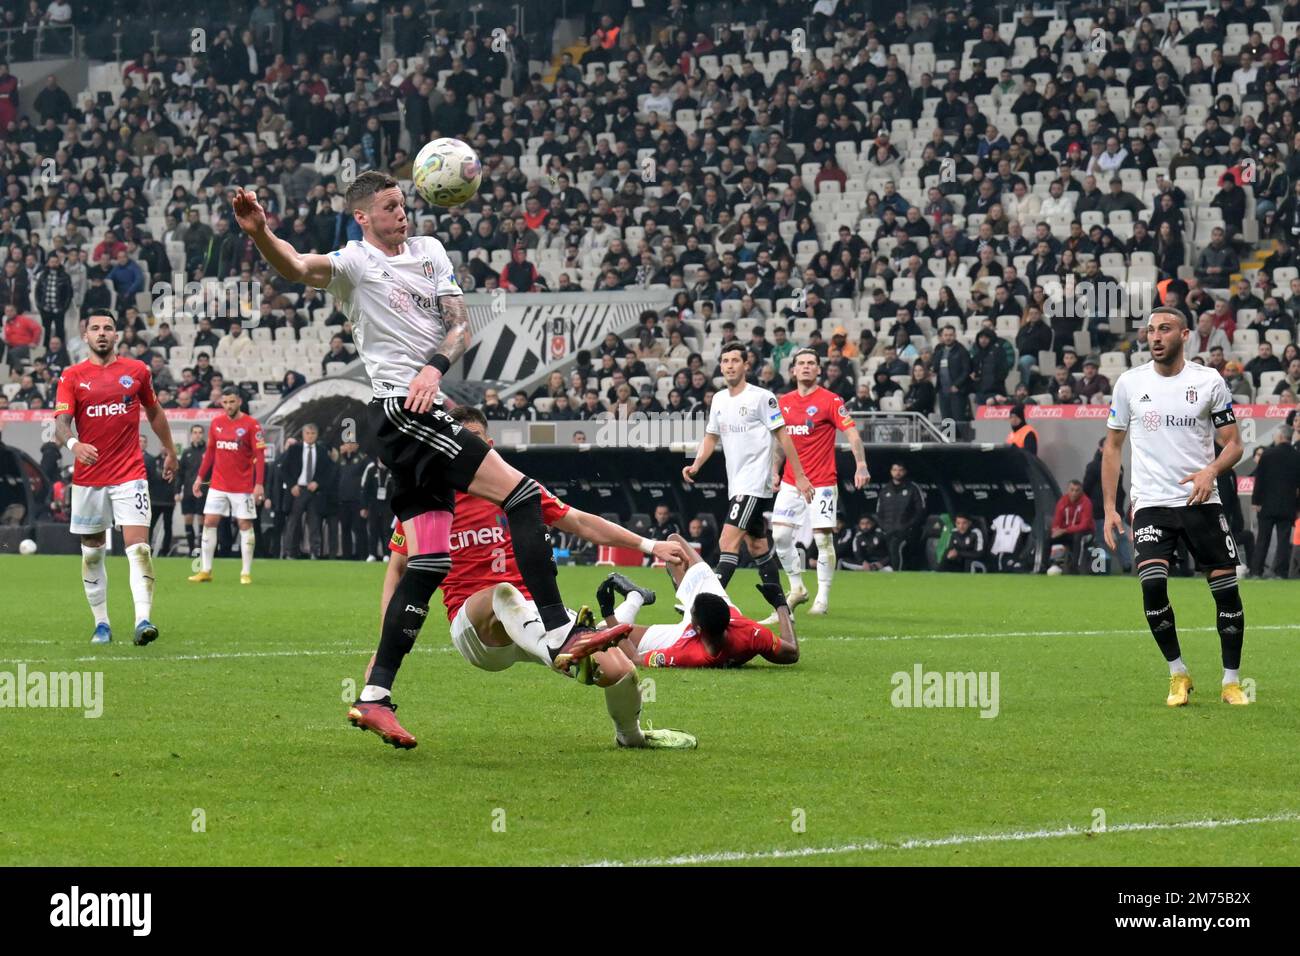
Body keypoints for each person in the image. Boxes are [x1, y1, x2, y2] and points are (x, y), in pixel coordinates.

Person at [232, 175, 629, 748]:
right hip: (402, 412)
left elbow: (460, 326)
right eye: (389, 207)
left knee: (429, 563)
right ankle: (560, 628)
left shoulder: (430, 252)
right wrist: (262, 232)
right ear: (363, 217)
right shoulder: (355, 263)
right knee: (520, 496)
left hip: (421, 403)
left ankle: (374, 696)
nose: (402, 213)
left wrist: (433, 367)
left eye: (404, 203)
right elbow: (297, 266)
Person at [381, 406, 694, 748]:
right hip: (476, 627)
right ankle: (561, 648)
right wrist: (385, 647)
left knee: (621, 672)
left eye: (469, 442)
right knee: (502, 593)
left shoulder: (514, 489)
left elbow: (581, 521)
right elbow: (397, 568)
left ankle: (631, 737)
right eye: (453, 443)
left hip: (534, 615)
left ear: (487, 445)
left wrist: (650, 544)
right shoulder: (431, 500)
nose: (461, 451)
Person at [1102, 306, 1249, 706]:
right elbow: (1112, 447)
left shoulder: (1208, 381)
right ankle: (1178, 673)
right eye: (1150, 330)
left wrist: (1210, 472)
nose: (1155, 336)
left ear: (1184, 335)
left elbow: (1234, 442)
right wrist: (1110, 508)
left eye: (1164, 329)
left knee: (1225, 592)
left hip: (1200, 500)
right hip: (1150, 503)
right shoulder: (1130, 383)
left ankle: (1232, 681)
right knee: (1152, 586)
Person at [53, 312, 177, 645]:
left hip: (130, 475)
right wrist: (74, 444)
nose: (102, 333)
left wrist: (170, 450)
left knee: (139, 549)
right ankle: (102, 624)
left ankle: (143, 620)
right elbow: (61, 424)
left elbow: (154, 412)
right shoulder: (71, 376)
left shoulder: (137, 372)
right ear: (86, 335)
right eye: (95, 328)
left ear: (117, 335)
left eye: (108, 328)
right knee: (93, 553)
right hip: (89, 478)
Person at [682, 342, 813, 598]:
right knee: (757, 546)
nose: (729, 365)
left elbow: (784, 438)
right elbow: (711, 437)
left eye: (735, 360)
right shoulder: (719, 399)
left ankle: (703, 604)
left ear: (746, 365)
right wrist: (697, 464)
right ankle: (782, 609)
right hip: (737, 482)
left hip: (754, 483)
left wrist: (799, 475)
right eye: (725, 361)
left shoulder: (761, 397)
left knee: (726, 542)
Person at [768, 349, 870, 619]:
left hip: (822, 483)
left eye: (811, 363)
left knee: (822, 539)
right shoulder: (784, 402)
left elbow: (852, 434)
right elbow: (781, 443)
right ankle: (797, 587)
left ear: (818, 370)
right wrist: (775, 471)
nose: (805, 367)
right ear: (793, 370)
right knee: (779, 536)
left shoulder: (830, 400)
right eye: (800, 363)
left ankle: (822, 598)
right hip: (791, 482)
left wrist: (861, 464)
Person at [601, 534, 800, 669]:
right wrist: (780, 603)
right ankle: (682, 587)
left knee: (602, 632)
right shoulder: (749, 632)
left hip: (680, 635)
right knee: (674, 545)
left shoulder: (687, 652)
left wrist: (608, 611)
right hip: (713, 616)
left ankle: (636, 596)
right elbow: (792, 652)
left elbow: (635, 659)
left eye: (691, 610)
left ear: (695, 627)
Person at [187, 388, 266, 584]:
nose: (228, 406)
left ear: (239, 401)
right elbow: (210, 453)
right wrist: (199, 478)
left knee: (244, 524)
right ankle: (206, 570)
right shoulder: (216, 423)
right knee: (209, 522)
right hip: (218, 484)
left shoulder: (252, 425)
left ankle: (245, 572)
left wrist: (259, 484)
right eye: (225, 402)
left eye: (232, 402)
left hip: (243, 487)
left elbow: (260, 456)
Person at [276, 423, 332, 560]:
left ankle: (315, 552)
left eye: (313, 434)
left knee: (314, 522)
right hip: (298, 490)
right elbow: (283, 469)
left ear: (317, 435)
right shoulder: (295, 449)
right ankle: (290, 552)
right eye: (308, 433)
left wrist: (318, 482)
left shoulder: (322, 450)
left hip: (313, 491)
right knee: (293, 522)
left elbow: (329, 472)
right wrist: (292, 485)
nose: (310, 436)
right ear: (303, 434)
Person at [1249, 428, 1300, 579]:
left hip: (1267, 505)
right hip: (1288, 506)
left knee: (1262, 539)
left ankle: (1256, 571)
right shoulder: (1297, 456)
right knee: (1283, 541)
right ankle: (1280, 572)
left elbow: (1260, 480)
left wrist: (1256, 501)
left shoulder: (1268, 454)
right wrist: (1297, 506)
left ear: (1280, 436)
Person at [876, 462, 926, 569]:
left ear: (905, 472)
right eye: (895, 470)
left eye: (900, 470)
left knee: (895, 548)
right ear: (891, 472)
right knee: (891, 551)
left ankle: (896, 575)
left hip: (907, 531)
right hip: (889, 530)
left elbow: (920, 510)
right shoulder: (885, 490)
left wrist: (908, 526)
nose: (897, 473)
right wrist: (884, 527)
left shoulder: (913, 488)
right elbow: (879, 513)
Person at [143, 434, 177, 556]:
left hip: (168, 500)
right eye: (163, 445)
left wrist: (177, 492)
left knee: (168, 526)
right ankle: (147, 548)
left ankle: (165, 550)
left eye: (166, 446)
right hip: (155, 499)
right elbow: (149, 478)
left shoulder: (174, 462)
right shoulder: (152, 460)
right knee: (150, 525)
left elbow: (178, 478)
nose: (164, 448)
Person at [1050, 480, 1094, 573]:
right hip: (1068, 531)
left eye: (1077, 490)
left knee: (1078, 537)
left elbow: (1084, 525)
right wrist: (1055, 530)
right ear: (1067, 490)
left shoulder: (1086, 502)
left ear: (1081, 491)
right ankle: (1045, 565)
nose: (1074, 493)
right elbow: (1057, 520)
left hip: (1086, 533)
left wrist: (1065, 530)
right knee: (1049, 538)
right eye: (1072, 490)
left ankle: (1075, 568)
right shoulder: (1062, 501)